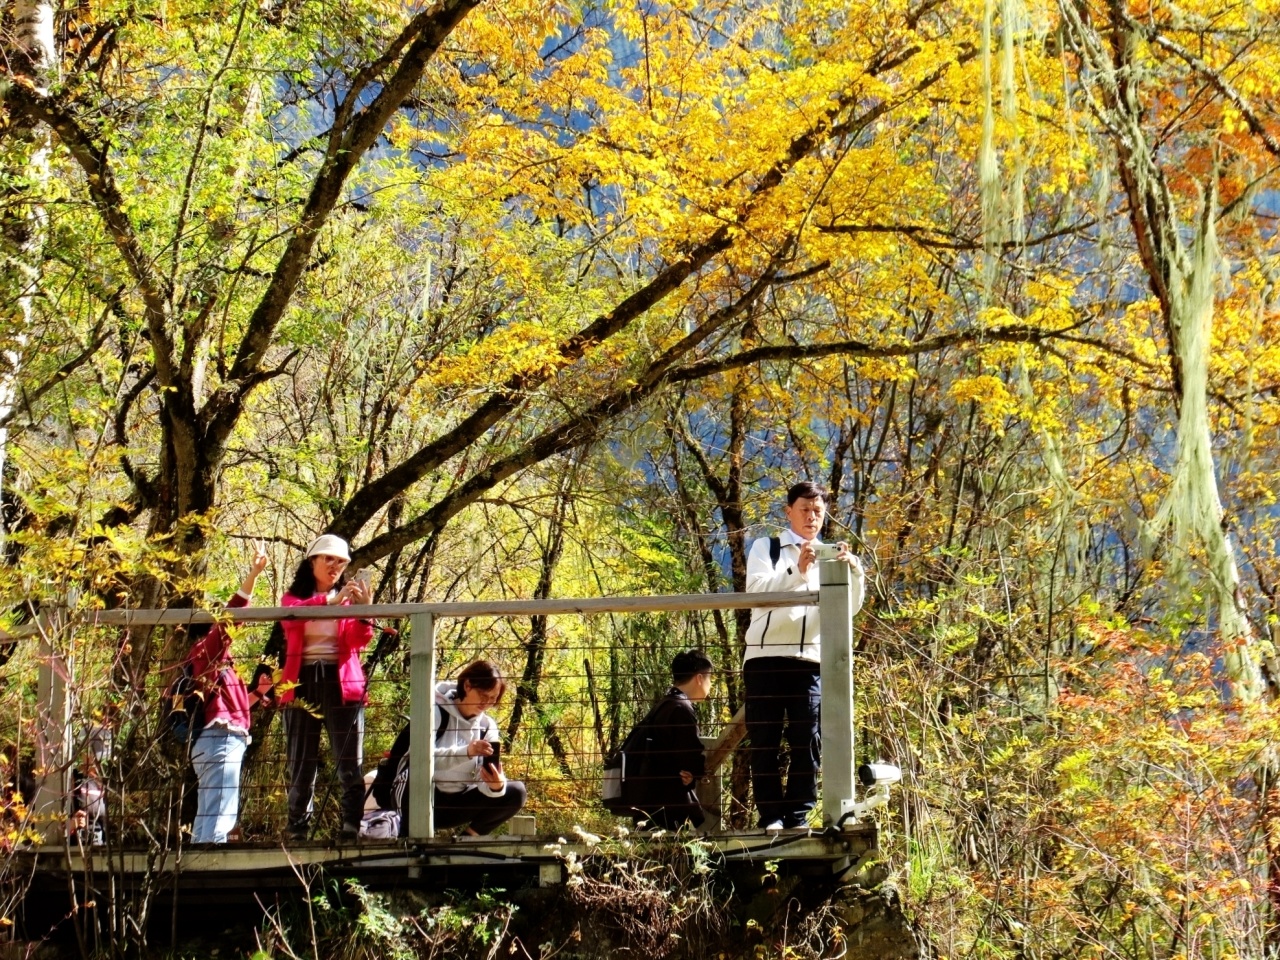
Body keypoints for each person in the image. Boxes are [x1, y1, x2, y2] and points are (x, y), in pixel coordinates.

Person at [743, 481, 865, 831]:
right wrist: (797, 571)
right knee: (764, 739)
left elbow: (849, 609)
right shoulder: (768, 548)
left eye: (817, 511)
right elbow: (756, 593)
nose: (811, 517)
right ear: (789, 512)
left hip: (811, 661)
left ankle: (797, 817)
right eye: (804, 510)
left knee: (806, 740)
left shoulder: (830, 553)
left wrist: (854, 571)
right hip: (764, 658)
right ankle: (770, 816)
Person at [278, 534, 374, 841]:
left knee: (348, 760)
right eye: (328, 559)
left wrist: (363, 612)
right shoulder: (292, 598)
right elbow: (291, 620)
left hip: (341, 683)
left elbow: (359, 641)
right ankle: (297, 827)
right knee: (301, 760)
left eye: (341, 561)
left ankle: (350, 824)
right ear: (312, 562)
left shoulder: (349, 598)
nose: (335, 566)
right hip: (301, 682)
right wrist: (329, 602)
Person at [184, 541, 274, 843]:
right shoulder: (209, 650)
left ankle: (196, 873)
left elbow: (227, 707)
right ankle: (206, 879)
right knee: (219, 816)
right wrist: (254, 573)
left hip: (217, 739)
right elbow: (233, 615)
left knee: (211, 812)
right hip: (219, 741)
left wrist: (256, 695)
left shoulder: (217, 664)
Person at [392, 659, 526, 837]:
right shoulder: (433, 712)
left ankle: (466, 841)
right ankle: (410, 840)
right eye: (483, 695)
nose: (486, 704)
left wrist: (496, 786)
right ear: (468, 685)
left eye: (492, 700)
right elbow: (419, 760)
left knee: (516, 792)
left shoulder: (487, 727)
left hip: (456, 803)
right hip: (415, 798)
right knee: (414, 776)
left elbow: (482, 776)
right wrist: (467, 752)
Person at [629, 650, 714, 831]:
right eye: (710, 679)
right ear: (699, 678)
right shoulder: (681, 708)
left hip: (648, 796)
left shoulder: (664, 704)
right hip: (667, 802)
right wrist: (693, 772)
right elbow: (690, 754)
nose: (710, 685)